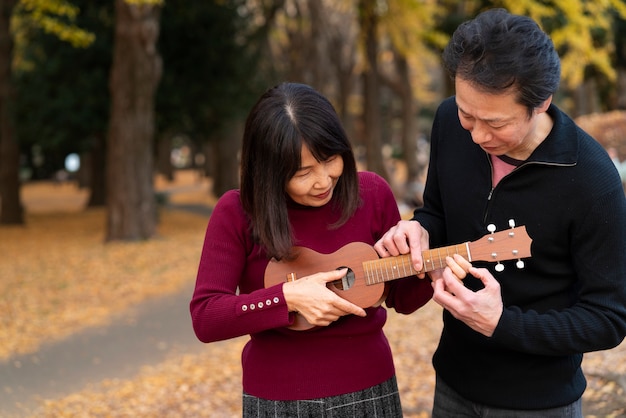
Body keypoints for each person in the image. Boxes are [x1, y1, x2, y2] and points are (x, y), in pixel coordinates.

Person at [374, 8, 626, 418]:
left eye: (494, 122)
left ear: (541, 102)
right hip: (453, 381)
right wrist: (419, 230)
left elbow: (608, 319)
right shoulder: (447, 123)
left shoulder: (592, 181)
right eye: (466, 114)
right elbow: (436, 211)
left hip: (541, 402)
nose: (475, 134)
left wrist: (501, 323)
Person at [190, 82, 433, 416]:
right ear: (269, 173)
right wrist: (286, 298)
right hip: (277, 400)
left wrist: (426, 265)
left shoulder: (372, 193)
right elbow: (206, 317)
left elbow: (404, 299)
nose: (323, 181)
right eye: (303, 173)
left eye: (330, 159)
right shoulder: (236, 212)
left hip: (370, 389)